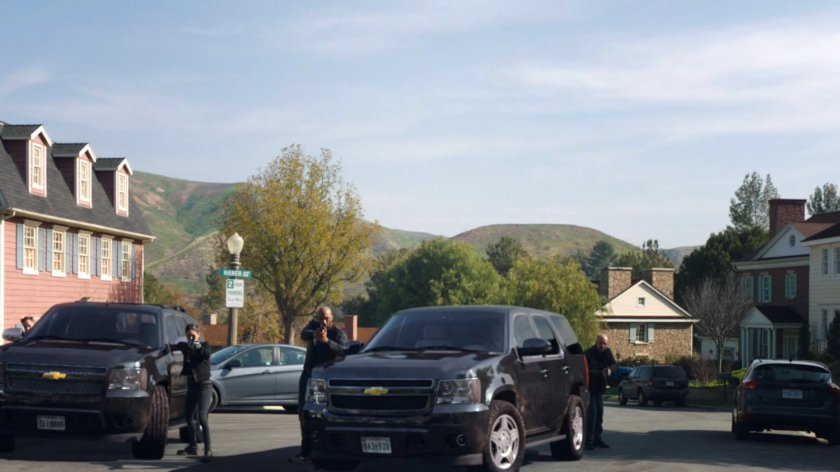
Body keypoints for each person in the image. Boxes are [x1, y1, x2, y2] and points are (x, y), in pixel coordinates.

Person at [290, 306, 347, 463]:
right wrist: (314, 334)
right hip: (308, 375)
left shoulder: (338, 333)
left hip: (324, 379)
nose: (323, 322)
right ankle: (305, 451)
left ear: (332, 319)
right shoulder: (313, 327)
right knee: (303, 413)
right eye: (320, 318)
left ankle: (325, 449)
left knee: (321, 415)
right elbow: (303, 334)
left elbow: (344, 351)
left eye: (326, 318)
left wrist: (327, 341)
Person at [176, 323, 213, 462]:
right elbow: (176, 346)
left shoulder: (204, 346)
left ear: (198, 334)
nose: (190, 338)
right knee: (189, 418)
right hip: (192, 385)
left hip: (204, 386)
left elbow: (206, 354)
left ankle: (208, 449)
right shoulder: (187, 348)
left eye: (193, 335)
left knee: (202, 418)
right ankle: (192, 446)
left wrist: (196, 342)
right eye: (188, 335)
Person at [585, 334, 617, 451]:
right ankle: (588, 441)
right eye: (601, 343)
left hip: (600, 388)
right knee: (592, 415)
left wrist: (610, 370)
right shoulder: (588, 353)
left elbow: (614, 365)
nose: (602, 345)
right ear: (596, 342)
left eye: (605, 343)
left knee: (599, 414)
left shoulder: (607, 352)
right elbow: (585, 371)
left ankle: (598, 439)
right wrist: (600, 373)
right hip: (590, 388)